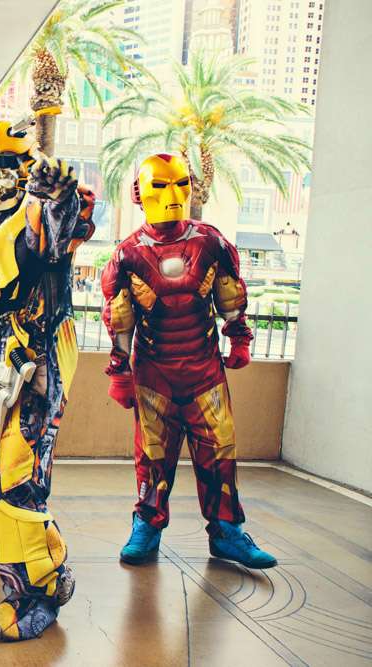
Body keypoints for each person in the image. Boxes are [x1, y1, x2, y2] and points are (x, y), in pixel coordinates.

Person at [0, 119, 96, 641]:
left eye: (0, 169)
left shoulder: (38, 211)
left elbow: (57, 232)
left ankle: (38, 591)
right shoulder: (0, 226)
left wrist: (58, 194)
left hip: (38, 362)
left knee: (19, 473)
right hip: (3, 358)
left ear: (24, 171)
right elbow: (0, 284)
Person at [100, 152, 277, 569]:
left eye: (180, 183)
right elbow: (119, 315)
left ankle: (227, 531)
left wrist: (239, 338)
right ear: (139, 193)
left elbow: (230, 295)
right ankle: (147, 526)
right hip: (154, 373)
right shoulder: (127, 254)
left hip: (204, 371)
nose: (173, 194)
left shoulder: (210, 242)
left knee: (220, 449)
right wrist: (120, 371)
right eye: (160, 185)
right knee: (152, 455)